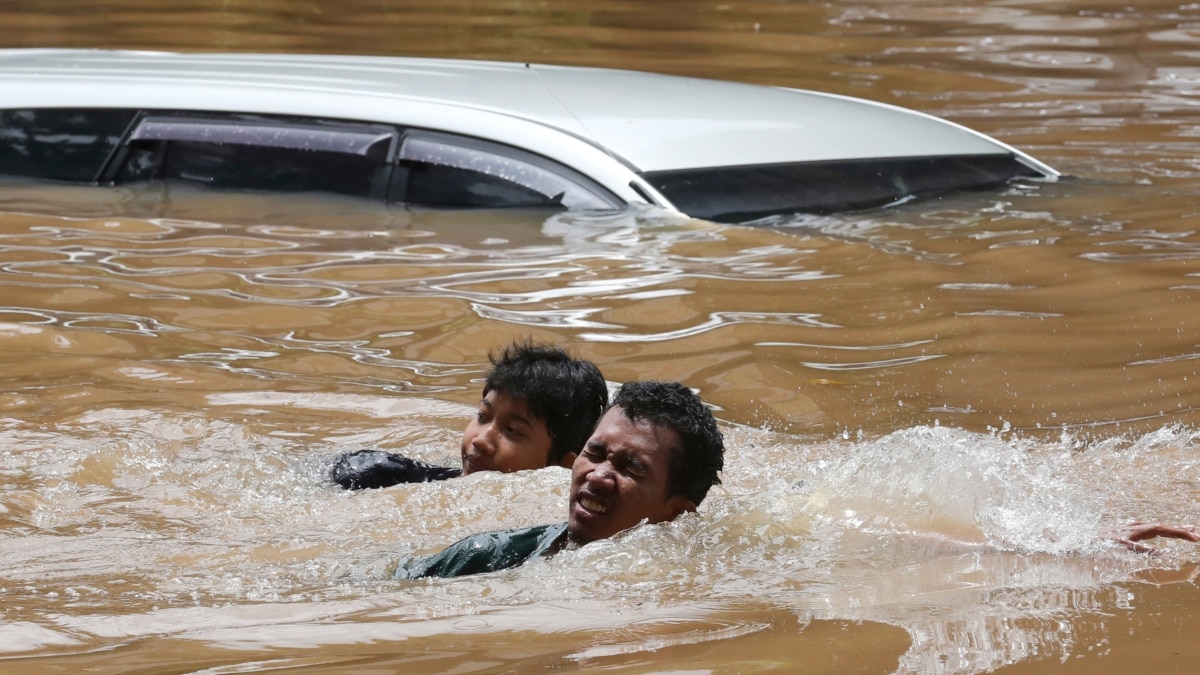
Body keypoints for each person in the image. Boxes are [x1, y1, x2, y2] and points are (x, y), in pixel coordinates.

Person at [396, 380, 725, 579]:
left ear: (678, 512)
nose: (597, 476)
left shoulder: (685, 590)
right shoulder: (487, 556)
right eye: (594, 453)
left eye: (631, 468)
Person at [330, 339, 608, 489]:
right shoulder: (390, 478)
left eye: (512, 431)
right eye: (483, 417)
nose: (481, 440)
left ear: (563, 466)